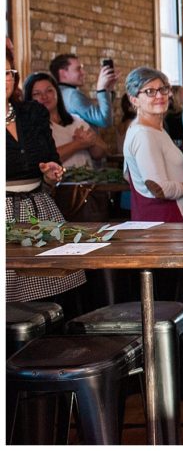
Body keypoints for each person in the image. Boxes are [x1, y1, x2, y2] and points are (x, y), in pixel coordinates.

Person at [6, 47, 87, 304]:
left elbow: (51, 161)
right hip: (4, 214)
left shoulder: (32, 113)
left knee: (54, 294)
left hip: (39, 208)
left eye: (6, 73)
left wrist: (52, 174)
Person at [123, 67, 183, 224]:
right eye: (150, 91)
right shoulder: (143, 134)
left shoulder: (155, 129)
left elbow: (135, 176)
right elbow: (159, 188)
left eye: (163, 89)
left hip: (171, 220)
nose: (159, 96)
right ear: (134, 99)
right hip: (164, 221)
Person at [26, 72, 107, 168]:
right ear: (29, 98)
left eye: (49, 91)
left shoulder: (76, 120)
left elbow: (100, 153)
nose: (44, 97)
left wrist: (91, 141)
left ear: (57, 92)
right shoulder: (30, 127)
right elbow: (44, 161)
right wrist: (78, 144)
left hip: (87, 176)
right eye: (37, 94)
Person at [49, 53, 118, 129]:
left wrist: (108, 90)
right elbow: (105, 121)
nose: (83, 73)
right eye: (78, 69)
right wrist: (101, 89)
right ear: (63, 73)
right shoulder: (72, 95)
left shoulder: (58, 93)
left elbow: (99, 114)